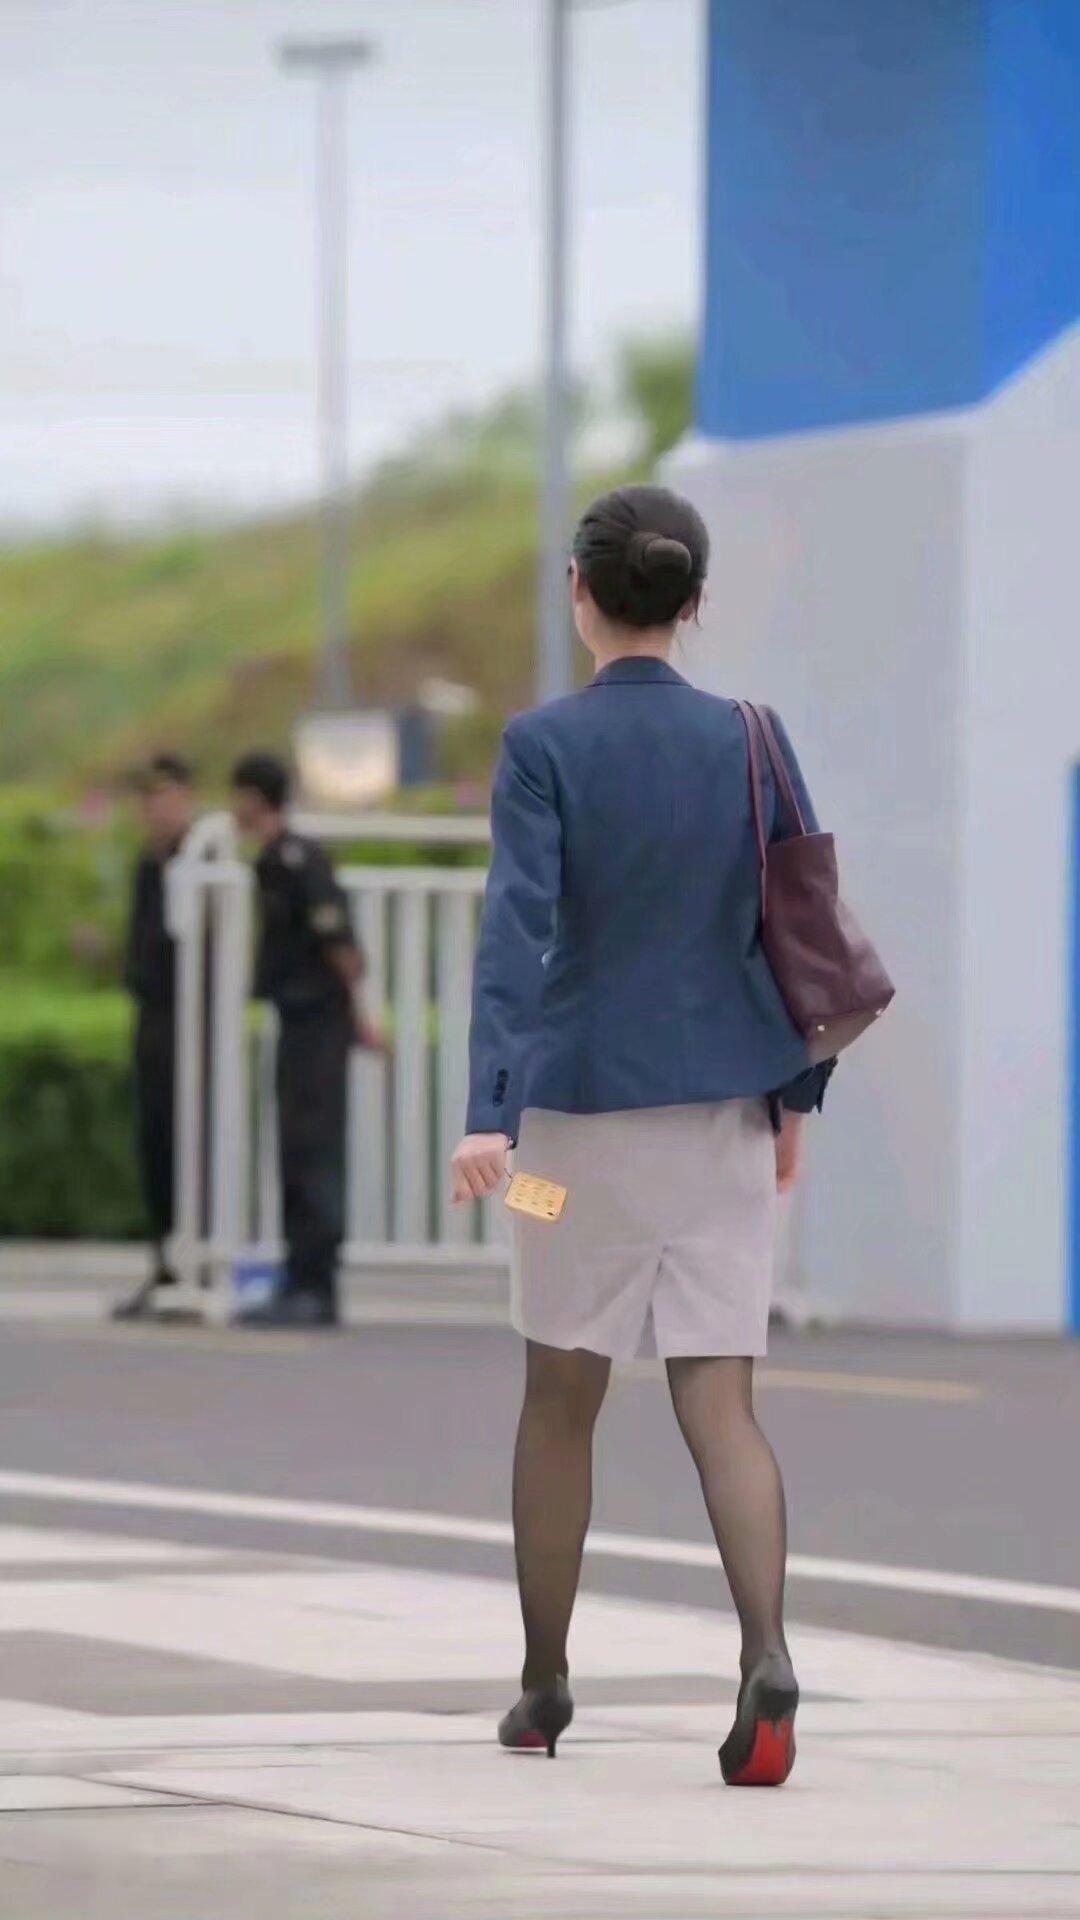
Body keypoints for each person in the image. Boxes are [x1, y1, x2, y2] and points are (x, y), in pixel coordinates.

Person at [451, 484, 834, 1782]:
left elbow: (516, 934)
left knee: (560, 1395)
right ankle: (766, 1652)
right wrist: (794, 1099)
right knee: (720, 1394)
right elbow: (800, 924)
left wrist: (488, 1115)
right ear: (695, 599)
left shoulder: (542, 744)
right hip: (727, 1120)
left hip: (567, 1147)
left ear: (580, 591)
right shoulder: (752, 737)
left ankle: (545, 1686)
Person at [231, 753, 382, 1328]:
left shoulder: (299, 860)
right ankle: (298, 1278)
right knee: (294, 1150)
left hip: (319, 1022)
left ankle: (316, 1286)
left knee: (313, 1151)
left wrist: (362, 1016)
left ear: (255, 797)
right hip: (297, 1022)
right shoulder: (272, 861)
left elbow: (340, 944)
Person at [112, 753, 196, 1322]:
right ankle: (165, 1264)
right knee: (156, 1144)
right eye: (147, 799)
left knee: (191, 1143)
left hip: (191, 1025)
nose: (154, 810)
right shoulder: (150, 863)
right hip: (154, 1023)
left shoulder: (202, 859)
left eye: (164, 797)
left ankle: (192, 1263)